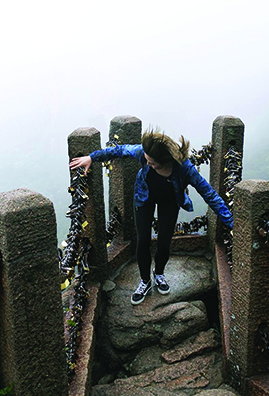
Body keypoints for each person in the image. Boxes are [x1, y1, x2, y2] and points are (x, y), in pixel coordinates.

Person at [69, 128, 234, 305]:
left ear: (165, 162)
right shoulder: (144, 152)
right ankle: (145, 281)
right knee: (143, 242)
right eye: (146, 160)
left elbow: (209, 194)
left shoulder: (184, 168)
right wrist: (92, 157)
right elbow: (120, 150)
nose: (147, 163)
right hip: (144, 199)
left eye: (151, 162)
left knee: (164, 242)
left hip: (170, 202)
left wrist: (231, 222)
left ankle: (159, 274)